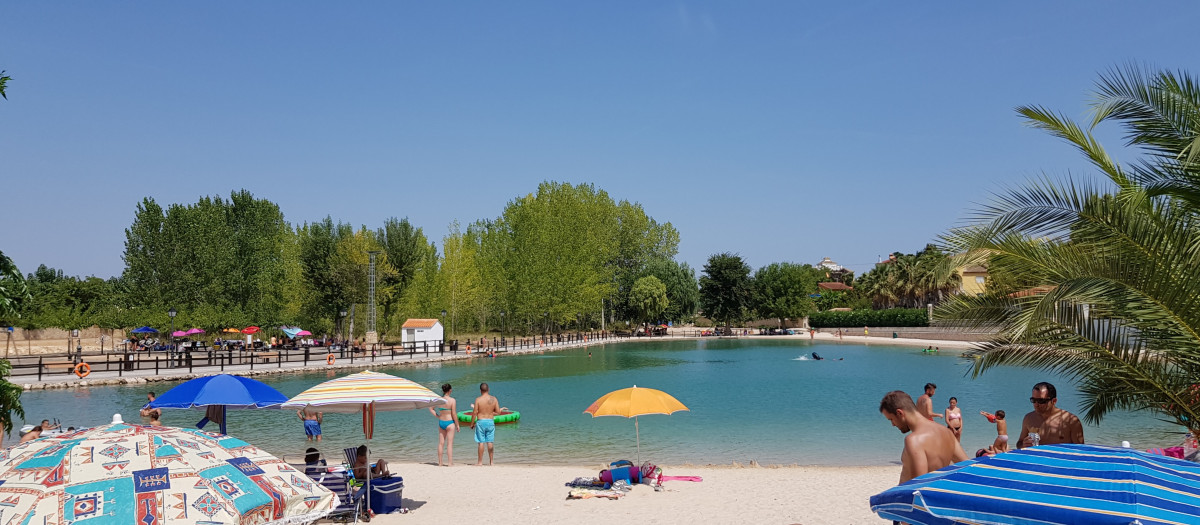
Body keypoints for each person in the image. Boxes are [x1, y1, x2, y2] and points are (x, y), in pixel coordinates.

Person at [879, 391, 968, 484]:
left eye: (891, 419)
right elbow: (968, 466)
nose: (893, 424)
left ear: (899, 413)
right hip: (934, 493)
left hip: (911, 497)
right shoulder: (947, 433)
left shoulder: (914, 440)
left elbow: (919, 484)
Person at [1018, 381, 1084, 448]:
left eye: (1041, 401)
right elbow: (1019, 444)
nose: (1036, 404)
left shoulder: (1071, 421)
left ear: (1054, 401)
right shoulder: (1029, 418)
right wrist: (1023, 444)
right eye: (1033, 400)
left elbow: (1080, 449)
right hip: (1036, 457)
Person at [471, 382, 501, 465]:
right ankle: (491, 462)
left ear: (480, 390)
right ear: (488, 389)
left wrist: (472, 424)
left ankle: (480, 462)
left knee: (481, 442)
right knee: (490, 442)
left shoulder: (478, 400)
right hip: (490, 421)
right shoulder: (494, 399)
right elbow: (498, 412)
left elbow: (474, 413)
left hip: (480, 421)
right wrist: (491, 413)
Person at [429, 383, 459, 466]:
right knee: (449, 444)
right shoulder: (452, 400)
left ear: (443, 390)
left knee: (441, 443)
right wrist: (457, 425)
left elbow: (431, 408)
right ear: (450, 390)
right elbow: (454, 414)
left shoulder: (439, 400)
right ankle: (449, 463)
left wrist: (438, 416)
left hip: (441, 422)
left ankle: (440, 463)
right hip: (450, 423)